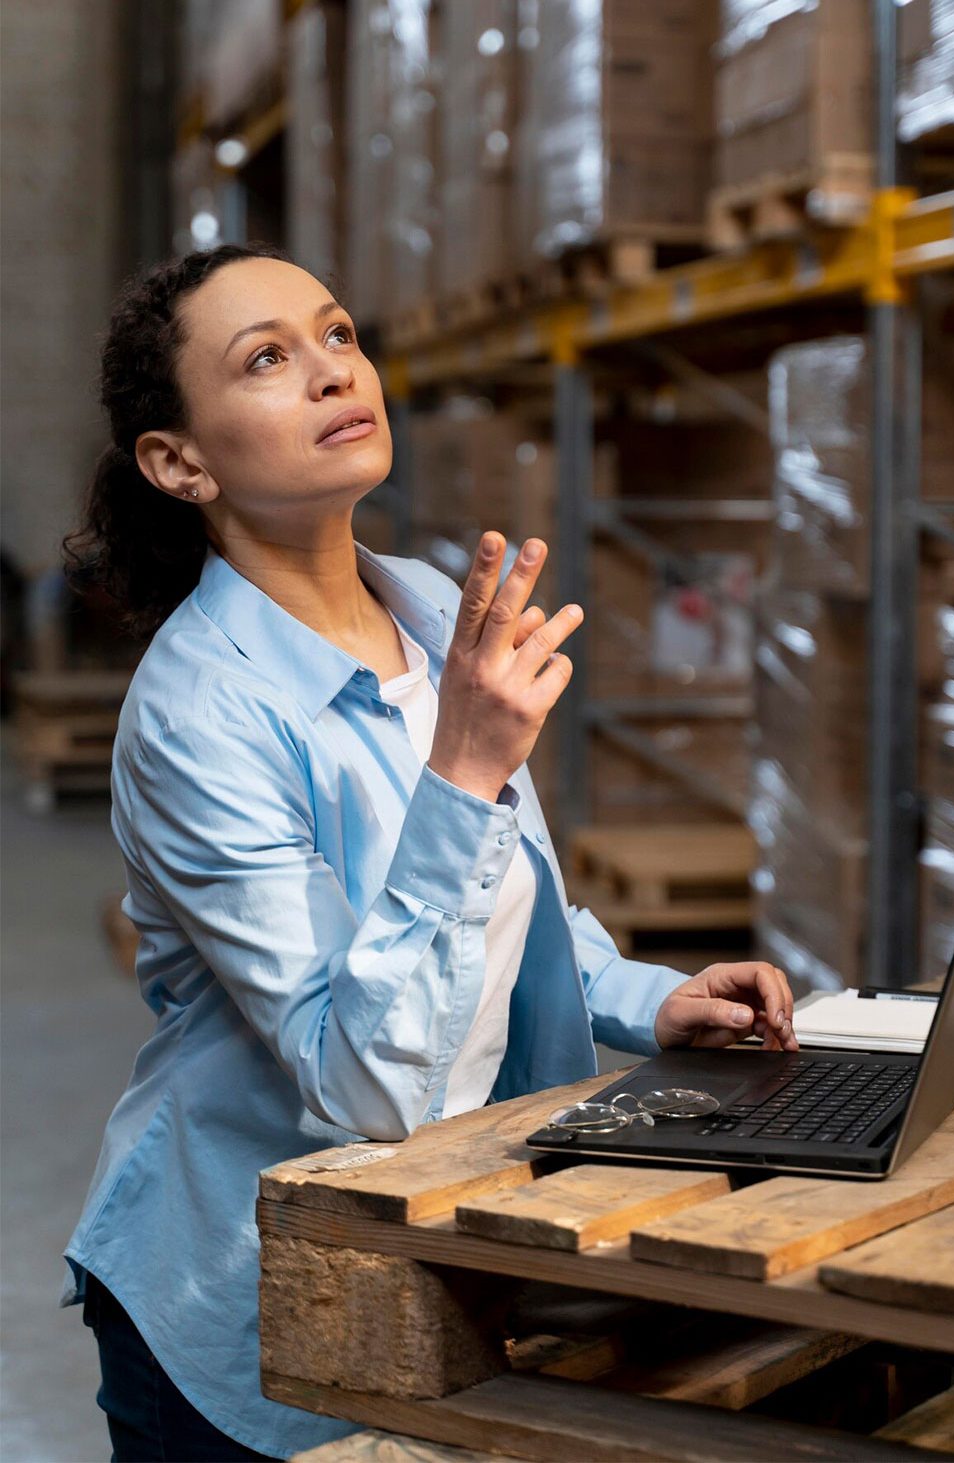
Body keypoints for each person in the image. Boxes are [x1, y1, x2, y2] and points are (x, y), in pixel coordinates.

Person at [61, 242, 797, 1462]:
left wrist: (646, 997)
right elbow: (363, 1089)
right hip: (249, 1298)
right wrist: (461, 768)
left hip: (450, 1244)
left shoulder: (425, 604)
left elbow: (516, 906)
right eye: (267, 358)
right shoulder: (198, 713)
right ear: (178, 461)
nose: (331, 373)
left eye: (339, 334)